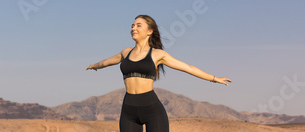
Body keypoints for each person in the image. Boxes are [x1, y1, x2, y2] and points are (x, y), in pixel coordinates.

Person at [86, 15, 232, 132]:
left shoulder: (157, 54)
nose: (133, 28)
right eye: (132, 25)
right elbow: (107, 62)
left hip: (152, 110)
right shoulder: (126, 52)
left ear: (150, 31)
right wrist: (94, 66)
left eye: (138, 25)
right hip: (128, 110)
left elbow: (188, 67)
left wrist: (213, 78)